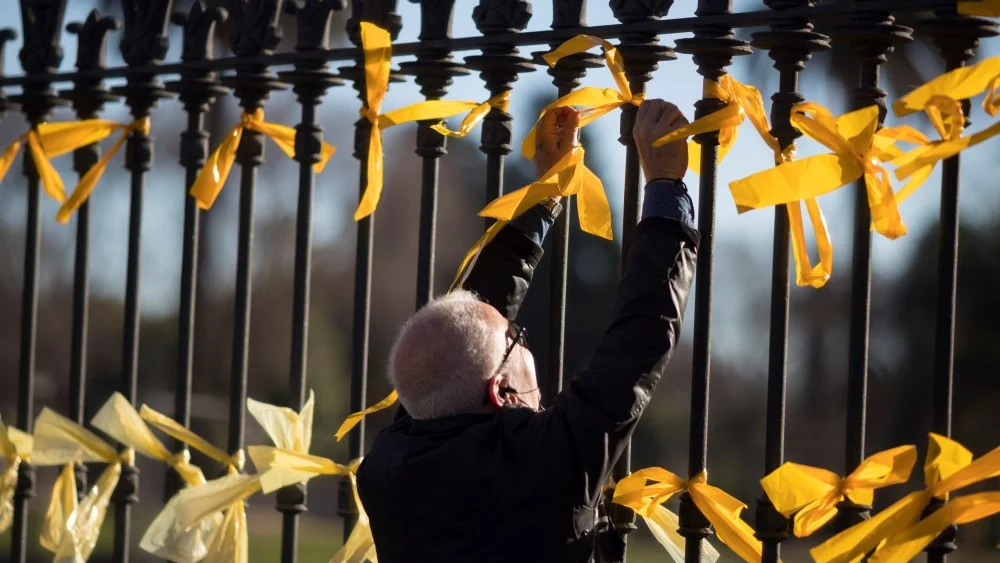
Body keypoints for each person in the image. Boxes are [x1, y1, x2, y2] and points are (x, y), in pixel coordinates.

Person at [357, 99, 698, 563]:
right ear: (500, 390)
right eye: (516, 338)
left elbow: (468, 333)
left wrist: (545, 193)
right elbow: (638, 341)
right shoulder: (542, 462)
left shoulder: (387, 465)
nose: (520, 335)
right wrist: (666, 186)